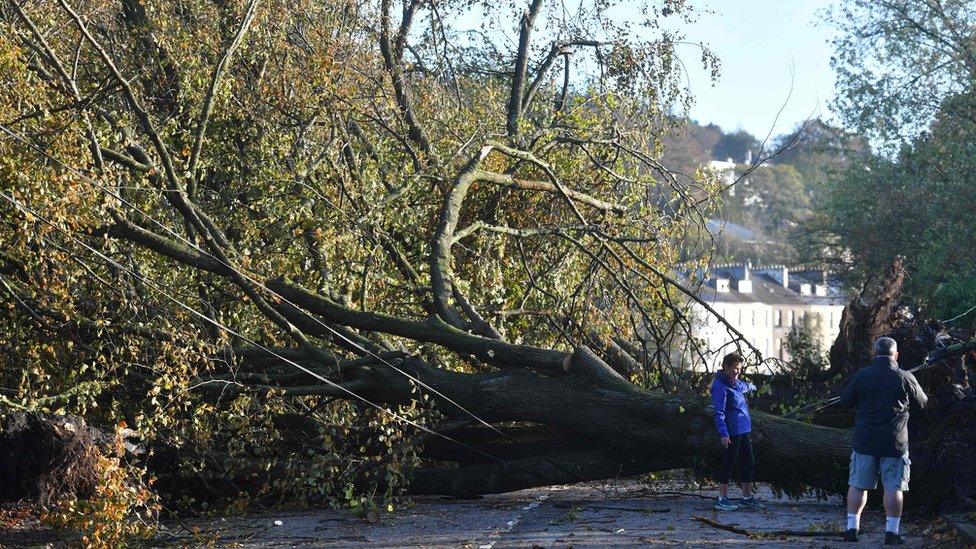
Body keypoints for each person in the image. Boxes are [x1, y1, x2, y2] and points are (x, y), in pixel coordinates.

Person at [839, 337, 928, 545]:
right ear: (896, 355)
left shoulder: (861, 376)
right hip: (894, 443)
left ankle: (852, 529)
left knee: (858, 485)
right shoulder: (905, 377)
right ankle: (892, 532)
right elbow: (922, 402)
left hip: (865, 441)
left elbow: (845, 401)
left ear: (875, 354)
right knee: (893, 488)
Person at [711, 352, 765, 511]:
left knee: (749, 461)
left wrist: (753, 386)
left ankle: (746, 497)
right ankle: (722, 499)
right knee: (728, 463)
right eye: (735, 368)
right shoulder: (720, 386)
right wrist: (723, 433)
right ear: (726, 367)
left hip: (743, 430)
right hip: (731, 431)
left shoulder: (736, 383)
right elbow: (719, 412)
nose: (737, 372)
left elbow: (745, 386)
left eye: (739, 369)